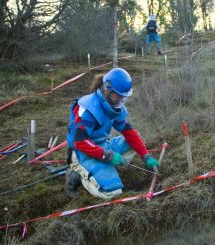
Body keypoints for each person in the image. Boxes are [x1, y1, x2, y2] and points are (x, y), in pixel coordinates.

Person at [65, 68, 160, 199]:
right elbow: (80, 142)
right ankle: (78, 175)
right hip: (82, 153)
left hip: (103, 146)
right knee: (112, 193)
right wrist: (108, 156)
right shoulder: (87, 109)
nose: (121, 99)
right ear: (107, 89)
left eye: (124, 96)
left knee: (132, 143)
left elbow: (128, 131)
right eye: (119, 95)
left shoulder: (114, 106)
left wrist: (145, 155)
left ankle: (106, 171)